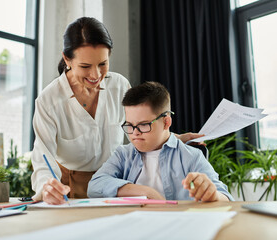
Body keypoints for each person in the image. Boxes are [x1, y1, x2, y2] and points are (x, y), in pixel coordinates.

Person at [31, 17, 203, 205]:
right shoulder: (49, 101)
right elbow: (43, 157)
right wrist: (47, 187)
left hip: (117, 183)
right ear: (67, 59)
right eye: (85, 66)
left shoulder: (119, 86)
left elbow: (136, 131)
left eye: (102, 64)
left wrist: (173, 138)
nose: (96, 75)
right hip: (70, 189)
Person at [87, 82, 234, 202]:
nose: (135, 132)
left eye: (144, 124)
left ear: (166, 122)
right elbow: (94, 186)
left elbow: (227, 198)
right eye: (130, 125)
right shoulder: (123, 154)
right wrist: (145, 192)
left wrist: (212, 194)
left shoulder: (190, 156)